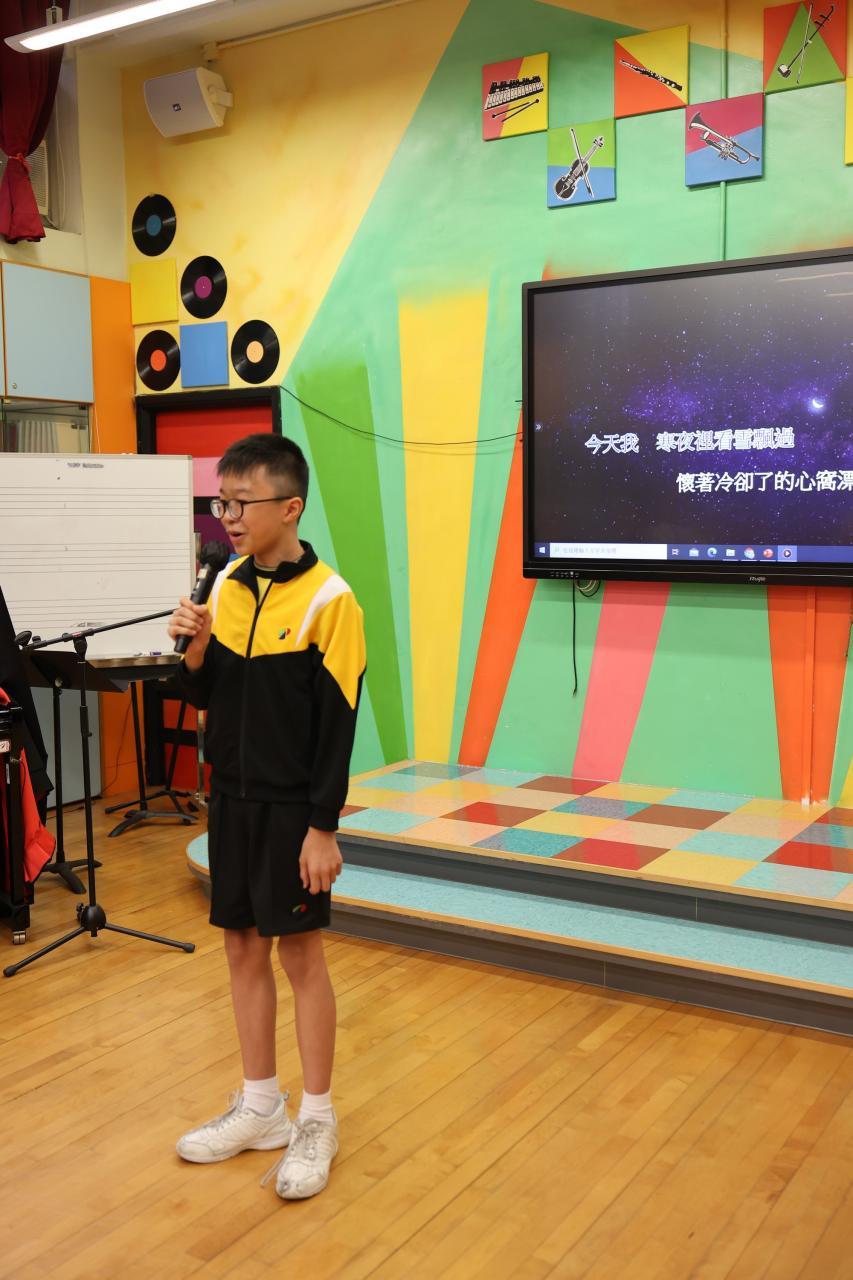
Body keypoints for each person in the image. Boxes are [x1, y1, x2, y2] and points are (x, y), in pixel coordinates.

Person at [168, 433, 365, 1202]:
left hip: (291, 810)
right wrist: (193, 649)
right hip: (231, 800)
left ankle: (316, 1117)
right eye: (221, 502)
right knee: (240, 948)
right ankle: (260, 1108)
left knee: (300, 958)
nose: (227, 518)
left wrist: (322, 827)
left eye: (241, 503)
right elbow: (204, 694)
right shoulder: (223, 585)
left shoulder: (330, 601)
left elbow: (339, 726)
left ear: (290, 506)